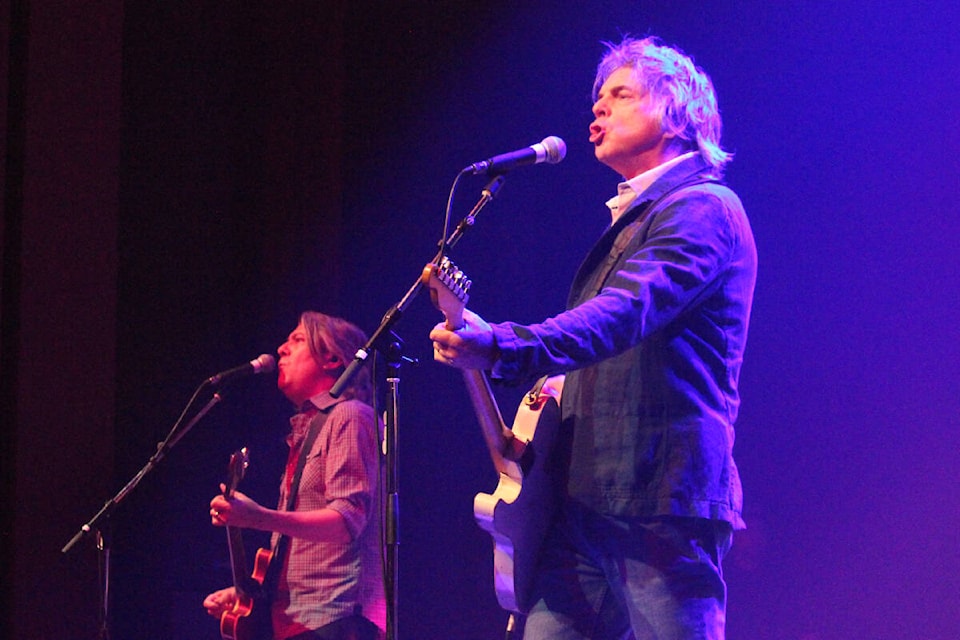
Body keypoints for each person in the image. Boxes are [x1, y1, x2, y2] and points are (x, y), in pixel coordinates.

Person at [430, 36, 756, 639]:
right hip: (582, 507)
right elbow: (613, 343)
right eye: (596, 99)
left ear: (676, 112)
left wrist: (504, 343)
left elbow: (625, 312)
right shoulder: (635, 222)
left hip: (657, 502)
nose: (597, 110)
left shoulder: (705, 208)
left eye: (620, 95)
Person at [203, 312, 386, 640]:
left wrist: (258, 518)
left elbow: (347, 522)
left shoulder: (350, 417)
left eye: (297, 340)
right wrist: (251, 593)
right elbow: (299, 543)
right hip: (295, 621)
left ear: (332, 358)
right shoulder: (310, 427)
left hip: (334, 619)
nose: (281, 349)